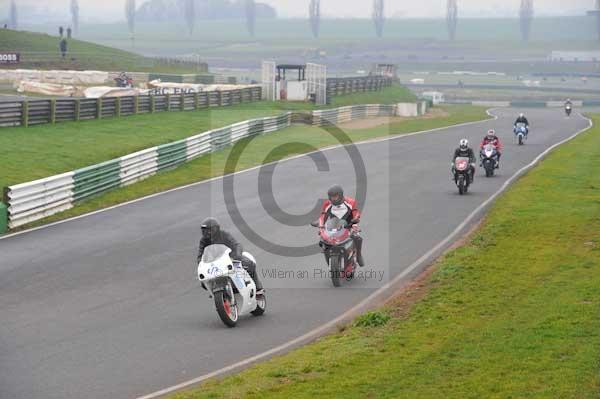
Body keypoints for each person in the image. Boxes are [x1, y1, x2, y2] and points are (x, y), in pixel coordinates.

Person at [196, 217, 264, 294]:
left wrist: (237, 255)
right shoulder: (203, 240)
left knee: (250, 264)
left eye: (208, 230)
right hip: (215, 262)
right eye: (204, 231)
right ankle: (217, 293)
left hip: (231, 258)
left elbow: (237, 244)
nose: (206, 233)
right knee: (204, 281)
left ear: (215, 229)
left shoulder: (224, 234)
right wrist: (201, 264)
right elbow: (200, 255)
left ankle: (258, 288)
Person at [317, 185, 365, 267]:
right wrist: (321, 227)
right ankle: (330, 260)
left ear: (341, 195)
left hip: (350, 224)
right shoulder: (327, 204)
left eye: (335, 196)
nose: (334, 199)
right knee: (323, 241)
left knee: (357, 237)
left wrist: (355, 222)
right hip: (334, 225)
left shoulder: (350, 202)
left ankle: (358, 256)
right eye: (332, 197)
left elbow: (356, 213)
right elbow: (322, 216)